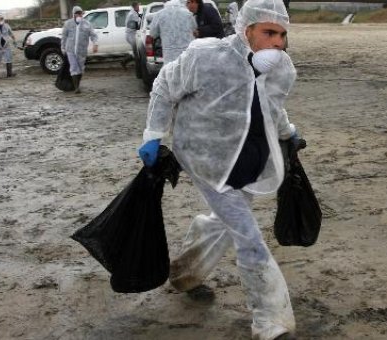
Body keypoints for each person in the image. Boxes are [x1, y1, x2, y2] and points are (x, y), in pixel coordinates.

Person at [137, 0, 299, 338]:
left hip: (247, 158)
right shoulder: (207, 56)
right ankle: (270, 320)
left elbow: (272, 106)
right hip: (206, 158)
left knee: (225, 223)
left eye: (282, 35)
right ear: (246, 29)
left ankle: (184, 273)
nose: (277, 43)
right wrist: (154, 134)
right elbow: (165, 85)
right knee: (247, 234)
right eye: (269, 32)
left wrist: (289, 133)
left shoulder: (279, 68)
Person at [61, 6, 99, 94]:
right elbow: (64, 36)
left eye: (80, 13)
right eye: (76, 13)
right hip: (70, 49)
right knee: (74, 67)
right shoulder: (68, 24)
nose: (78, 15)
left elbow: (93, 35)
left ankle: (77, 84)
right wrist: (62, 47)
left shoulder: (87, 24)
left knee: (81, 69)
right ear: (73, 14)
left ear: (82, 14)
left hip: (82, 51)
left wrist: (95, 44)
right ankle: (76, 88)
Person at [149, 0, 197, 64]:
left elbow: (153, 34)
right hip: (186, 52)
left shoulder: (159, 14)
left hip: (169, 54)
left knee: (171, 72)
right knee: (186, 71)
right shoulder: (188, 13)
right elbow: (195, 29)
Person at [121, 1, 141, 69]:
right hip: (131, 35)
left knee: (136, 51)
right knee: (136, 52)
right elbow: (138, 24)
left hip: (130, 34)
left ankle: (124, 62)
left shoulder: (132, 12)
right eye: (138, 6)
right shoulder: (133, 14)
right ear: (135, 6)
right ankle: (137, 67)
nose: (139, 7)